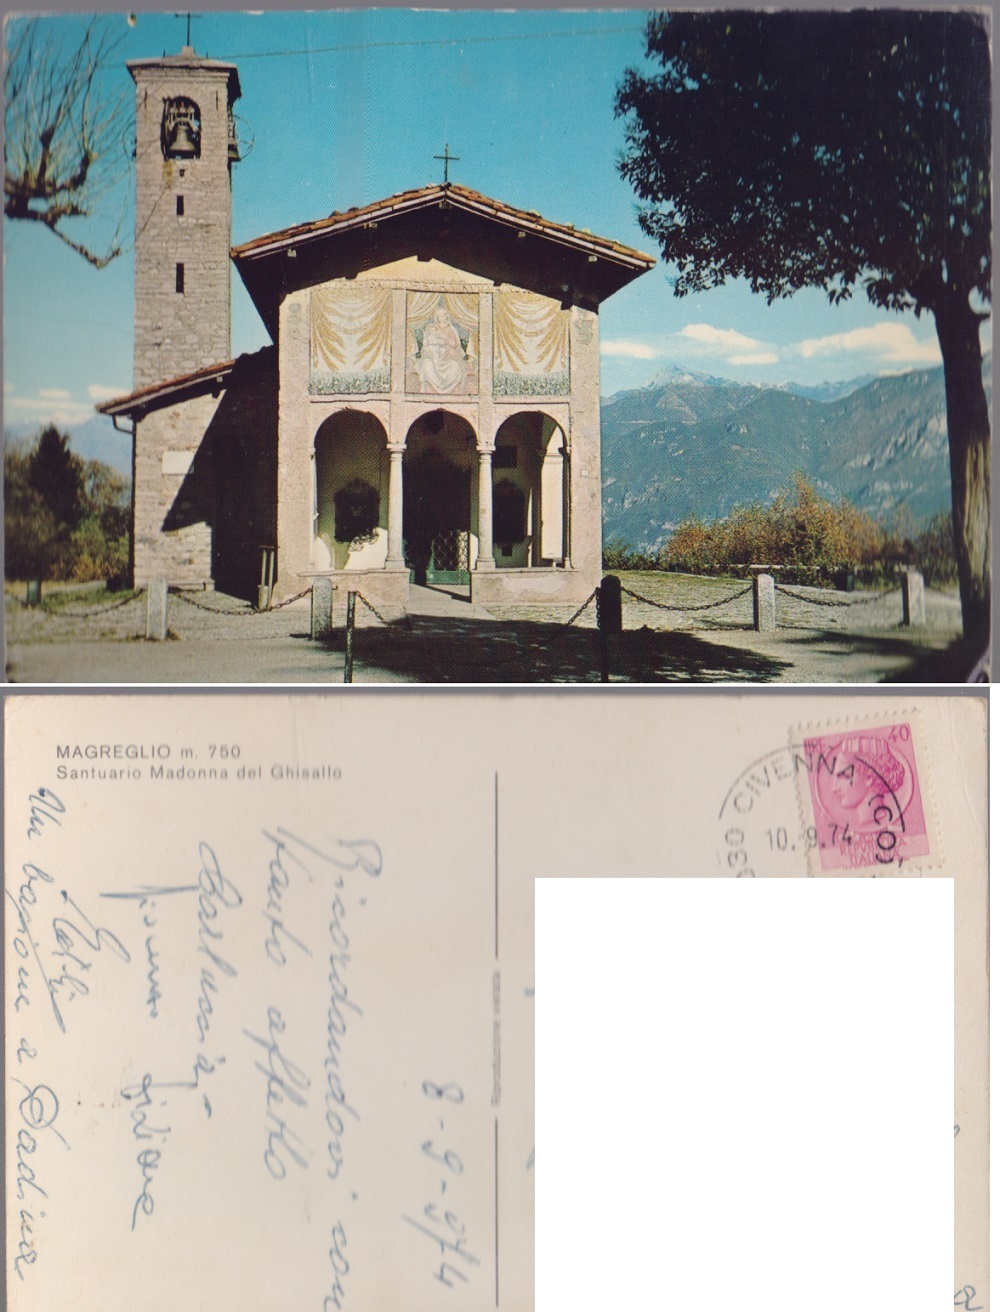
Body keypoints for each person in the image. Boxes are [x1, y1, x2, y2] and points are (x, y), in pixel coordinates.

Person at [417, 304, 467, 393]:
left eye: (443, 315)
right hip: (434, 357)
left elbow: (456, 345)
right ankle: (429, 391)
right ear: (437, 317)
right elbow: (427, 344)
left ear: (446, 317)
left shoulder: (451, 329)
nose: (441, 318)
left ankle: (453, 392)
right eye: (439, 316)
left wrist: (447, 343)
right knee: (427, 365)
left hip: (448, 357)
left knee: (455, 367)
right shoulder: (432, 328)